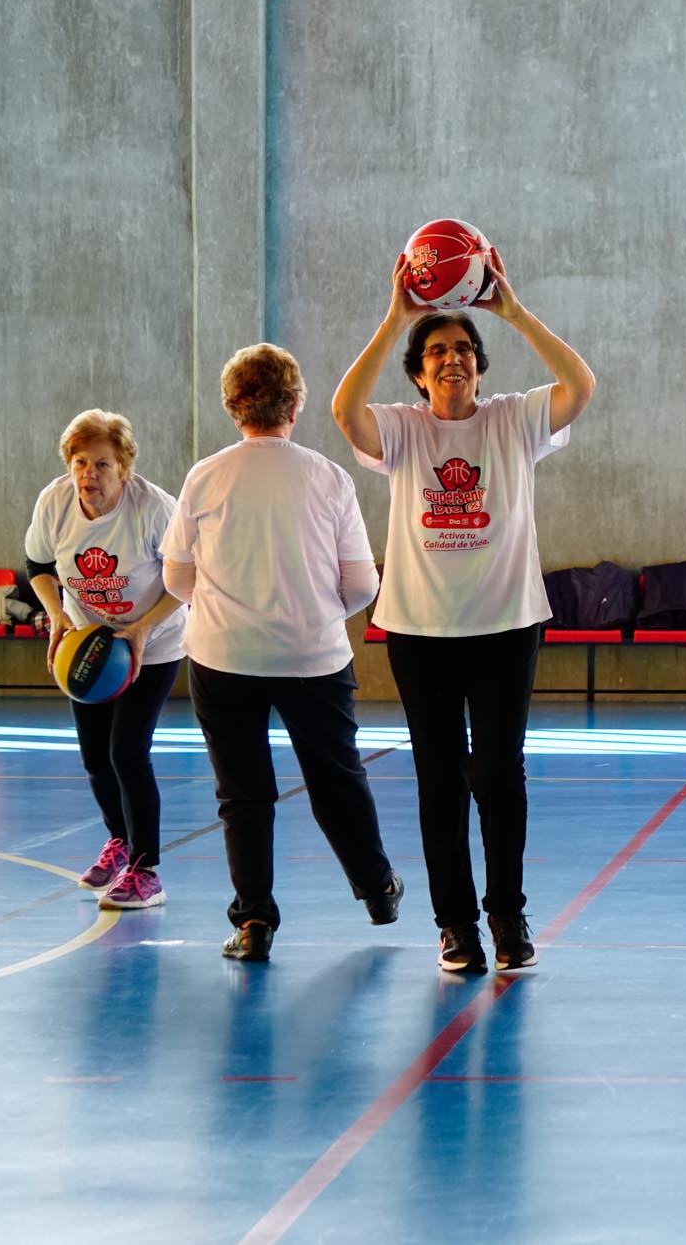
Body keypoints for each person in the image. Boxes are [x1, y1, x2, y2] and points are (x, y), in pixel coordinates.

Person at [332, 248, 594, 974]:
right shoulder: (402, 428)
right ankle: (454, 925)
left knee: (500, 774)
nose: (453, 359)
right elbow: (342, 411)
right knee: (439, 778)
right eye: (438, 351)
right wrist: (395, 319)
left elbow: (581, 384)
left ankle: (507, 916)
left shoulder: (515, 419)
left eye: (465, 351)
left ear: (481, 366)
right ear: (419, 373)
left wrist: (511, 312)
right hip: (420, 630)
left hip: (507, 624)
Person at [162, 345, 402, 963]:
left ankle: (253, 923)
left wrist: (230, 608)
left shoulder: (204, 477)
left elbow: (177, 578)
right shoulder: (328, 476)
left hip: (222, 656)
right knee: (335, 780)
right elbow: (362, 586)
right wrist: (311, 612)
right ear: (295, 405)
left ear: (232, 407)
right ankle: (377, 888)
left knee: (243, 795)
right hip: (312, 656)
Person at [24, 410, 188, 910]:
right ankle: (119, 840)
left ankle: (147, 869)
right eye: (79, 462)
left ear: (125, 468)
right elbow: (37, 564)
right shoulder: (56, 502)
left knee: (127, 753)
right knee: (96, 757)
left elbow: (188, 578)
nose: (88, 475)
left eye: (102, 464)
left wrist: (140, 629)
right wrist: (57, 617)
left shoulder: (155, 509)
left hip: (152, 642)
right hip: (88, 643)